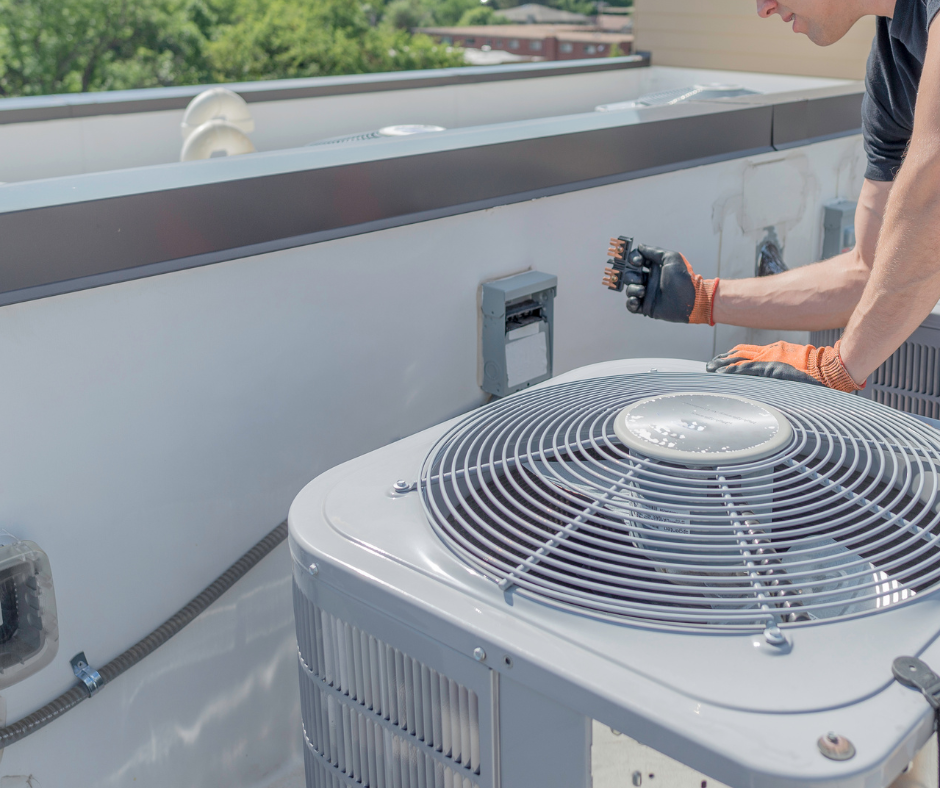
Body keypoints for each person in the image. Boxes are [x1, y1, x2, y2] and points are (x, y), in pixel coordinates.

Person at [610, 0, 940, 391]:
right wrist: (703, 298)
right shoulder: (893, 75)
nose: (763, 8)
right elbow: (869, 271)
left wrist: (837, 367)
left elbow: (930, 198)